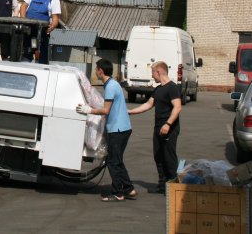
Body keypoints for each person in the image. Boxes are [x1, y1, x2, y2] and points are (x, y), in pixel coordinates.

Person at [76, 59, 136, 202]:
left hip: (118, 129)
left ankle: (118, 193)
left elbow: (106, 110)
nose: (95, 72)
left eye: (96, 69)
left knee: (113, 162)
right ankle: (129, 189)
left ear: (100, 71)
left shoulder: (110, 86)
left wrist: (89, 110)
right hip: (122, 128)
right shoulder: (113, 84)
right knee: (117, 160)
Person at [128, 60, 182, 194]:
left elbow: (177, 107)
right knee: (158, 156)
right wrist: (129, 111)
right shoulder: (158, 89)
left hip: (169, 128)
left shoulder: (172, 88)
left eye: (152, 72)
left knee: (169, 157)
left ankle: (173, 187)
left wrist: (168, 124)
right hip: (158, 128)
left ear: (158, 72)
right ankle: (162, 185)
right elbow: (148, 104)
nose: (152, 76)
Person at [19, 0, 61, 64]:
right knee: (26, 54)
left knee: (42, 57)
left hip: (42, 33)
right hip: (28, 31)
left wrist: (52, 27)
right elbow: (23, 7)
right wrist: (24, 21)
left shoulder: (55, 0)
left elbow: (55, 19)